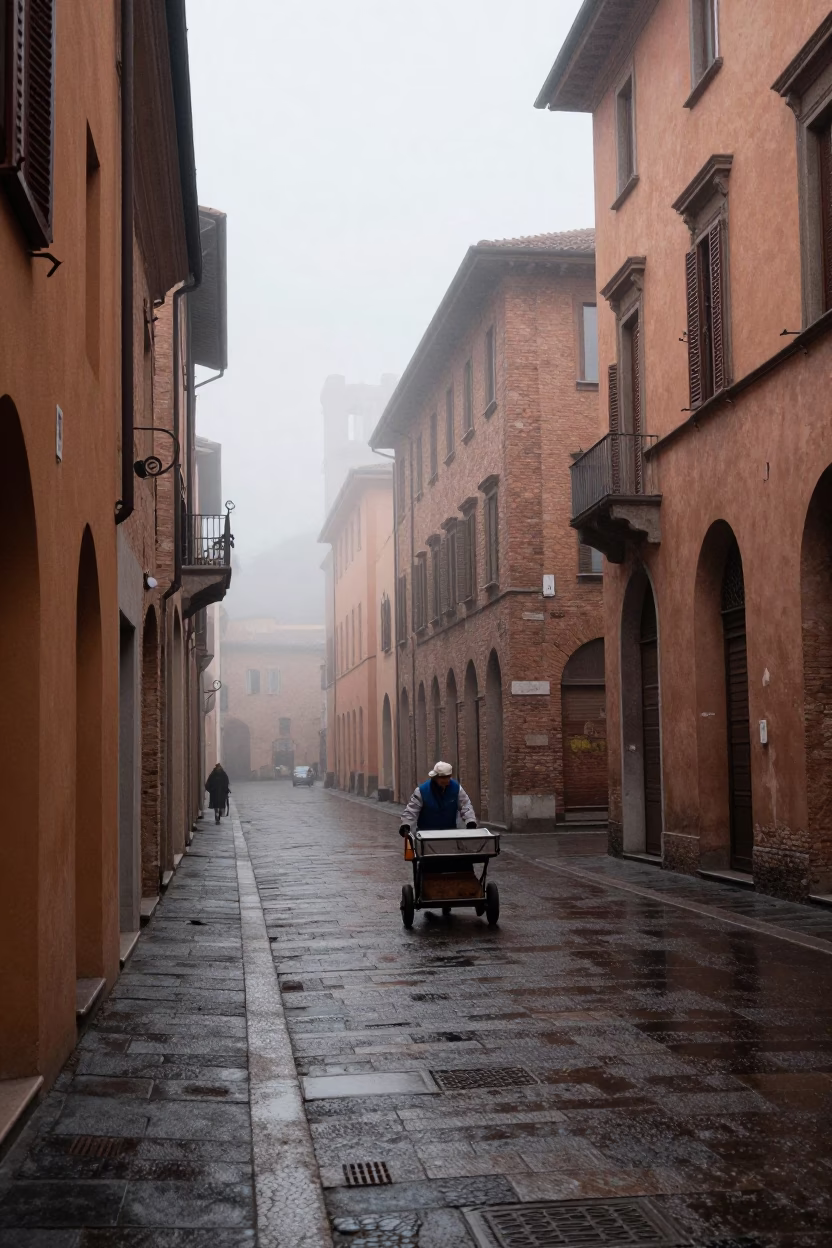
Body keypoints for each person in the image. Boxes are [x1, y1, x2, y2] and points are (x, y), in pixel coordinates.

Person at [399, 761, 477, 837]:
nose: (446, 780)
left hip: (450, 834)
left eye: (448, 777)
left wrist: (470, 821)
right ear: (435, 777)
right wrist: (406, 824)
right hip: (426, 836)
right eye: (443, 778)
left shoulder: (456, 789)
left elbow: (465, 805)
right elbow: (412, 810)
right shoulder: (422, 791)